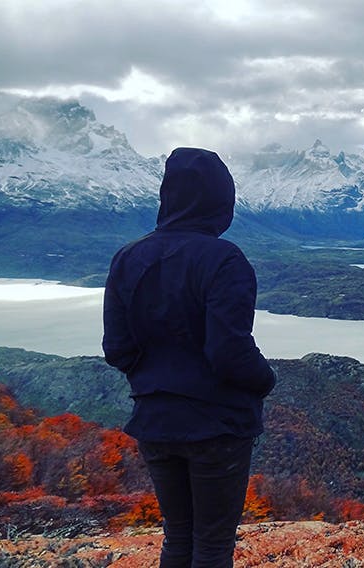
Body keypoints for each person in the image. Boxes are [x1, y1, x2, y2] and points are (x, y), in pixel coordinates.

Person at [102, 147, 276, 567]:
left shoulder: (128, 257)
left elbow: (117, 349)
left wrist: (159, 379)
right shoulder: (224, 259)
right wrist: (266, 380)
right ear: (221, 203)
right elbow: (228, 352)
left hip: (155, 422)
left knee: (177, 538)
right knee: (213, 546)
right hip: (217, 426)